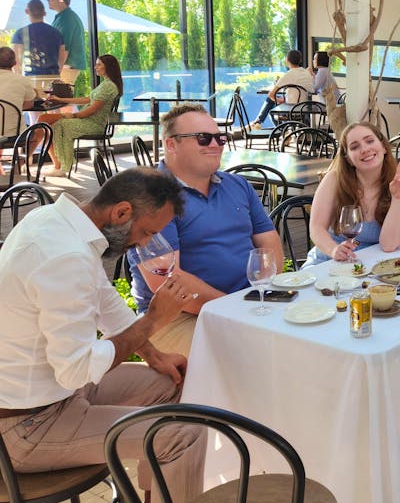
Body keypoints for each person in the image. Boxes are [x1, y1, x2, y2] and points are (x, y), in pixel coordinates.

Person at [0, 167, 206, 503]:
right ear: (122, 212)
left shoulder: (55, 222)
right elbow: (76, 370)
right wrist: (153, 321)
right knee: (182, 433)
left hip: (52, 395)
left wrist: (154, 354)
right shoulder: (65, 257)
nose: (145, 243)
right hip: (26, 426)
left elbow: (104, 300)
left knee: (174, 382)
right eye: (146, 232)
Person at [128, 103, 284, 356]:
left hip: (248, 302)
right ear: (171, 144)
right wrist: (232, 308)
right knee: (250, 357)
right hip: (175, 317)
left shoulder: (238, 185)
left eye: (220, 137)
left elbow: (269, 243)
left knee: (311, 336)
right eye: (203, 138)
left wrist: (263, 290)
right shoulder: (151, 197)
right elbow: (166, 281)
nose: (216, 144)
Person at [304, 121, 400, 265]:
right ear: (348, 158)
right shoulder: (335, 180)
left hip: (373, 268)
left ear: (384, 147)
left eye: (370, 141)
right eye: (355, 147)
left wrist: (397, 198)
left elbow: (388, 245)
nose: (365, 149)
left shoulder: (396, 182)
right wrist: (333, 250)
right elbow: (316, 228)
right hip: (329, 263)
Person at [38, 53, 122, 177]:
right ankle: (60, 164)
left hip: (94, 124)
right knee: (47, 122)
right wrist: (62, 100)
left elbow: (92, 110)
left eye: (99, 65)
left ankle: (61, 165)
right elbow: (88, 99)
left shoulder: (108, 86)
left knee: (55, 124)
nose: (95, 67)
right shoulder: (106, 84)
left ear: (108, 67)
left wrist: (71, 115)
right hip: (90, 121)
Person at [11, 0, 66, 94]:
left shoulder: (21, 33)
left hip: (30, 77)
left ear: (27, 11)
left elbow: (16, 60)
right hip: (53, 76)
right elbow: (63, 54)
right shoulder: (56, 33)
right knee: (54, 105)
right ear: (44, 13)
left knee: (34, 106)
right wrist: (58, 71)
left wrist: (19, 78)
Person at [251, 49, 314, 128]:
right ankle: (258, 122)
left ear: (287, 61)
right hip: (304, 109)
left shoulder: (288, 75)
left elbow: (271, 95)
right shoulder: (306, 73)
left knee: (271, 105)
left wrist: (279, 100)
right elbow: (310, 89)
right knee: (275, 102)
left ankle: (281, 130)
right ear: (300, 60)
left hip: (291, 110)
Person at [0, 45, 36, 175]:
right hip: (14, 135)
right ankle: (19, 166)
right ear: (15, 63)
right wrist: (12, 105)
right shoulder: (22, 80)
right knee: (37, 131)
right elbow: (29, 103)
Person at [48, 0, 87, 86]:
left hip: (67, 66)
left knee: (62, 97)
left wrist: (57, 71)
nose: (48, 0)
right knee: (61, 97)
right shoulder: (63, 17)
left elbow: (64, 48)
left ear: (61, 1)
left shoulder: (66, 19)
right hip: (66, 66)